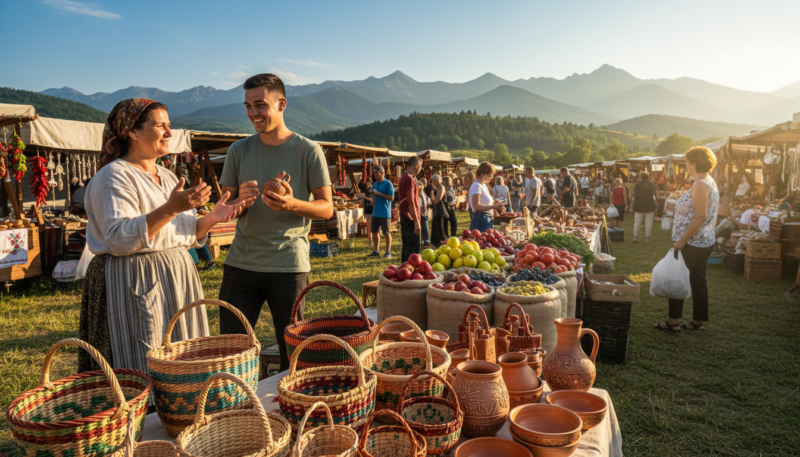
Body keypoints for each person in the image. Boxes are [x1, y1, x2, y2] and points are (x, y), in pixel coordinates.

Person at [79, 98, 243, 376]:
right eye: (161, 126)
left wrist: (211, 218)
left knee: (183, 358)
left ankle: (183, 406)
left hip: (177, 277)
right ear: (132, 131)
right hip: (135, 278)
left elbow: (183, 232)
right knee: (145, 358)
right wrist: (170, 208)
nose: (169, 133)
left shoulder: (166, 176)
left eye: (170, 126)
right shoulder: (113, 177)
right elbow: (119, 238)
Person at [217, 73, 334, 370]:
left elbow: (327, 208)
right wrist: (237, 202)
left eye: (260, 104)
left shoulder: (309, 150)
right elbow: (224, 207)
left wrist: (292, 204)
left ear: (281, 104)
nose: (252, 113)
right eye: (247, 106)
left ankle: (291, 410)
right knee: (231, 352)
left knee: (293, 354)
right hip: (241, 263)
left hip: (288, 264)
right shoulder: (238, 151)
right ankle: (238, 411)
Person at [655, 146, 719, 332]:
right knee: (698, 281)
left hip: (693, 241)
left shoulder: (701, 184)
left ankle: (673, 321)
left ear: (695, 163)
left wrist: (682, 239)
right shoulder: (707, 181)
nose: (687, 165)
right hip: (704, 240)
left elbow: (701, 216)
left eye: (688, 162)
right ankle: (697, 321)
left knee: (677, 278)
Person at [469, 162, 507, 232]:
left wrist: (496, 204)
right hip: (480, 220)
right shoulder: (477, 186)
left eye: (492, 175)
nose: (491, 178)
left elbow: (485, 203)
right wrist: (494, 206)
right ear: (482, 174)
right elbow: (476, 207)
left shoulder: (483, 185)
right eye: (489, 175)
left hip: (486, 218)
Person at [399, 156, 423, 262]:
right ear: (416, 166)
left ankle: (403, 269)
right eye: (420, 167)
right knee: (413, 247)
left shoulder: (403, 177)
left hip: (405, 215)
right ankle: (408, 271)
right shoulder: (409, 178)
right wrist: (417, 222)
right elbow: (411, 202)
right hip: (410, 216)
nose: (420, 169)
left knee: (407, 245)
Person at [367, 165, 393, 259]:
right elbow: (373, 199)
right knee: (374, 232)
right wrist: (372, 197)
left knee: (386, 232)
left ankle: (388, 252)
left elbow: (391, 197)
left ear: (383, 173)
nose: (375, 175)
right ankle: (376, 251)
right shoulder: (374, 184)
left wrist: (379, 194)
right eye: (374, 173)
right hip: (375, 212)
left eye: (377, 173)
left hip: (385, 212)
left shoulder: (388, 183)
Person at [630, 172, 658, 242]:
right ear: (648, 176)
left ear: (640, 177)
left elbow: (633, 194)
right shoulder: (651, 183)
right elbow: (655, 193)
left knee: (637, 222)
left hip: (638, 204)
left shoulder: (637, 184)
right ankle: (647, 239)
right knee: (649, 222)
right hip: (649, 204)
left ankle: (635, 238)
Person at [356, 178, 373, 250]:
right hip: (367, 210)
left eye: (366, 184)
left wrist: (364, 197)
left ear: (369, 184)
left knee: (371, 227)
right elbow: (359, 198)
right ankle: (370, 241)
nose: (365, 186)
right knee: (369, 227)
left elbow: (372, 200)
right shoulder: (366, 191)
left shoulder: (372, 191)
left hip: (371, 209)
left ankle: (372, 241)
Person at [430, 174, 447, 246]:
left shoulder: (441, 187)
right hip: (436, 210)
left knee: (439, 227)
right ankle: (435, 241)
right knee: (435, 226)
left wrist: (431, 195)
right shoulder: (437, 188)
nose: (432, 183)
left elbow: (436, 200)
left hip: (440, 210)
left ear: (437, 181)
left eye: (433, 181)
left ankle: (441, 241)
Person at [418, 182, 432, 248]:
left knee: (424, 226)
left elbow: (423, 203)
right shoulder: (422, 193)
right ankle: (423, 240)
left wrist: (424, 210)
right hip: (422, 212)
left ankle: (426, 240)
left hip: (422, 212)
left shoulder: (421, 194)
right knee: (422, 226)